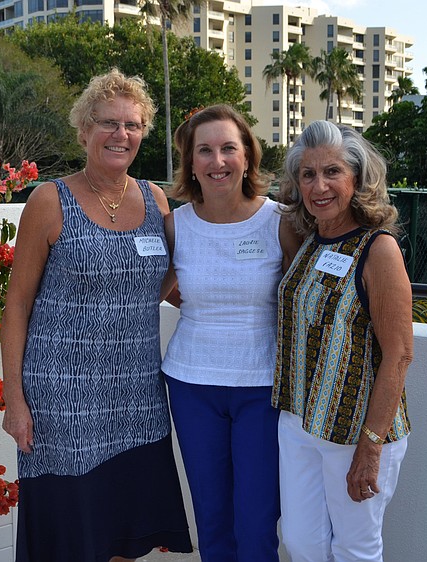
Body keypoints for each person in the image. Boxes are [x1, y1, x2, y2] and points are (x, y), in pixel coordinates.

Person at [0, 68, 193, 562]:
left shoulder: (155, 200)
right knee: (72, 534)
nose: (120, 134)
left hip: (136, 396)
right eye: (108, 123)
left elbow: (169, 281)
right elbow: (17, 304)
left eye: (131, 125)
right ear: (84, 130)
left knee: (126, 529)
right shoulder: (49, 201)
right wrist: (15, 402)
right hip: (62, 400)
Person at [160, 104, 301, 561]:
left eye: (227, 148)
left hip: (262, 389)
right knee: (213, 520)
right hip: (191, 385)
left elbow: (304, 296)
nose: (217, 161)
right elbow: (156, 288)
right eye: (204, 150)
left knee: (257, 523)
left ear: (247, 157)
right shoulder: (175, 225)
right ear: (191, 163)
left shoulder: (280, 220)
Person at [272, 120, 413, 562]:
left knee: (354, 547)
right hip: (299, 421)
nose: (319, 186)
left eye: (332, 172)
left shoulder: (379, 249)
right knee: (300, 542)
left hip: (356, 429)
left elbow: (400, 353)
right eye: (308, 174)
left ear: (358, 178)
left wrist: (370, 445)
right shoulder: (311, 239)